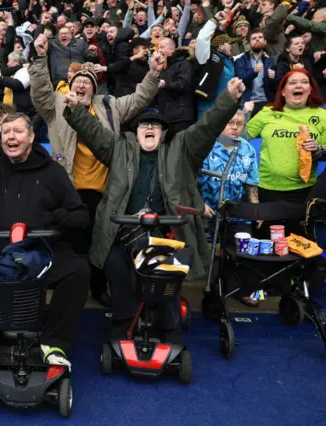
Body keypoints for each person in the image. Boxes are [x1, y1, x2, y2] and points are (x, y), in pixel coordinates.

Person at [62, 78, 247, 345]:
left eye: (155, 126)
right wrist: (76, 109)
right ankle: (124, 320)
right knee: (115, 264)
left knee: (169, 267)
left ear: (162, 133)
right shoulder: (118, 148)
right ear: (135, 132)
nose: (149, 128)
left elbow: (208, 128)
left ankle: (169, 324)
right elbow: (92, 131)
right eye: (144, 125)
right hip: (121, 228)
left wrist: (228, 99)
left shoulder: (182, 148)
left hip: (167, 229)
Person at [0, 112, 91, 392]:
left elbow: (81, 216)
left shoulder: (53, 173)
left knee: (78, 271)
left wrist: (62, 217)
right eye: (6, 132)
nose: (11, 137)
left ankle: (55, 345)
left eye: (17, 131)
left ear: (32, 137)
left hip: (43, 252)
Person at [29, 33, 162, 306]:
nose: (81, 85)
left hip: (103, 189)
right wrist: (41, 58)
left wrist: (153, 74)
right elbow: (40, 89)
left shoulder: (109, 105)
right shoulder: (56, 103)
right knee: (68, 243)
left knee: (101, 241)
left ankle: (98, 287)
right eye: (77, 81)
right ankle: (65, 287)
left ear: (93, 90)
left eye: (87, 83)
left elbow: (138, 100)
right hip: (68, 188)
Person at [198, 108, 261, 306]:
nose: (234, 128)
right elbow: (187, 180)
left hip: (235, 211)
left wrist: (255, 210)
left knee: (242, 248)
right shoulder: (203, 145)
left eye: (239, 124)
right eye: (229, 122)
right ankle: (206, 287)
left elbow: (251, 183)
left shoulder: (247, 149)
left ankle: (238, 289)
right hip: (206, 211)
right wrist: (198, 204)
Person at [246, 69, 326, 207]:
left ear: (310, 90)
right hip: (266, 188)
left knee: (299, 229)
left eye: (304, 82)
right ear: (283, 91)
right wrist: (245, 113)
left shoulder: (322, 115)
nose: (299, 86)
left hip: (305, 192)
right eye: (292, 83)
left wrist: (317, 150)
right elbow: (240, 137)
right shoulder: (268, 112)